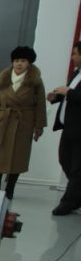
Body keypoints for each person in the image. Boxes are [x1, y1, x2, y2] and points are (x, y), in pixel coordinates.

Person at [0, 46, 46, 200]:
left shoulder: (35, 81)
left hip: (23, 124)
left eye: (23, 61)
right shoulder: (4, 78)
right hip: (3, 122)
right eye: (16, 60)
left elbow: (40, 105)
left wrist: (39, 126)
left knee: (18, 158)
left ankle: (10, 189)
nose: (19, 64)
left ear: (29, 63)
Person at [48, 41, 81, 216]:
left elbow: (75, 95)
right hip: (69, 128)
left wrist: (68, 92)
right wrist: (57, 97)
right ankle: (77, 195)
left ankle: (67, 203)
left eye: (75, 54)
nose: (72, 57)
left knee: (77, 169)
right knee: (64, 160)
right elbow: (73, 97)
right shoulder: (76, 73)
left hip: (79, 131)